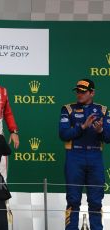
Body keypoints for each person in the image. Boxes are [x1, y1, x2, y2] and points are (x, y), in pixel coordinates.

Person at [59, 79, 110, 230]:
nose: (79, 94)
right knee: (73, 200)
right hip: (75, 156)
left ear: (92, 93)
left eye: (83, 91)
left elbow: (108, 138)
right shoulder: (67, 109)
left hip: (95, 157)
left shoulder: (103, 110)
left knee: (95, 201)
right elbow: (63, 134)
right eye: (78, 91)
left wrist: (100, 131)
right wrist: (83, 126)